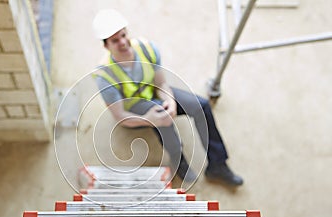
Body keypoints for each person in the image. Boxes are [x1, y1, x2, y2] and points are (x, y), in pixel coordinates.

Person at [91, 9, 243, 186]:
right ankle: (179, 160)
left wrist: (170, 101)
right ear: (106, 46)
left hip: (156, 94)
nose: (123, 43)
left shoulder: (147, 49)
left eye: (124, 35)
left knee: (201, 106)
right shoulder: (104, 76)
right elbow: (120, 116)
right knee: (163, 118)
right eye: (115, 41)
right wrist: (149, 120)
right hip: (135, 109)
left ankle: (217, 164)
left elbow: (162, 84)